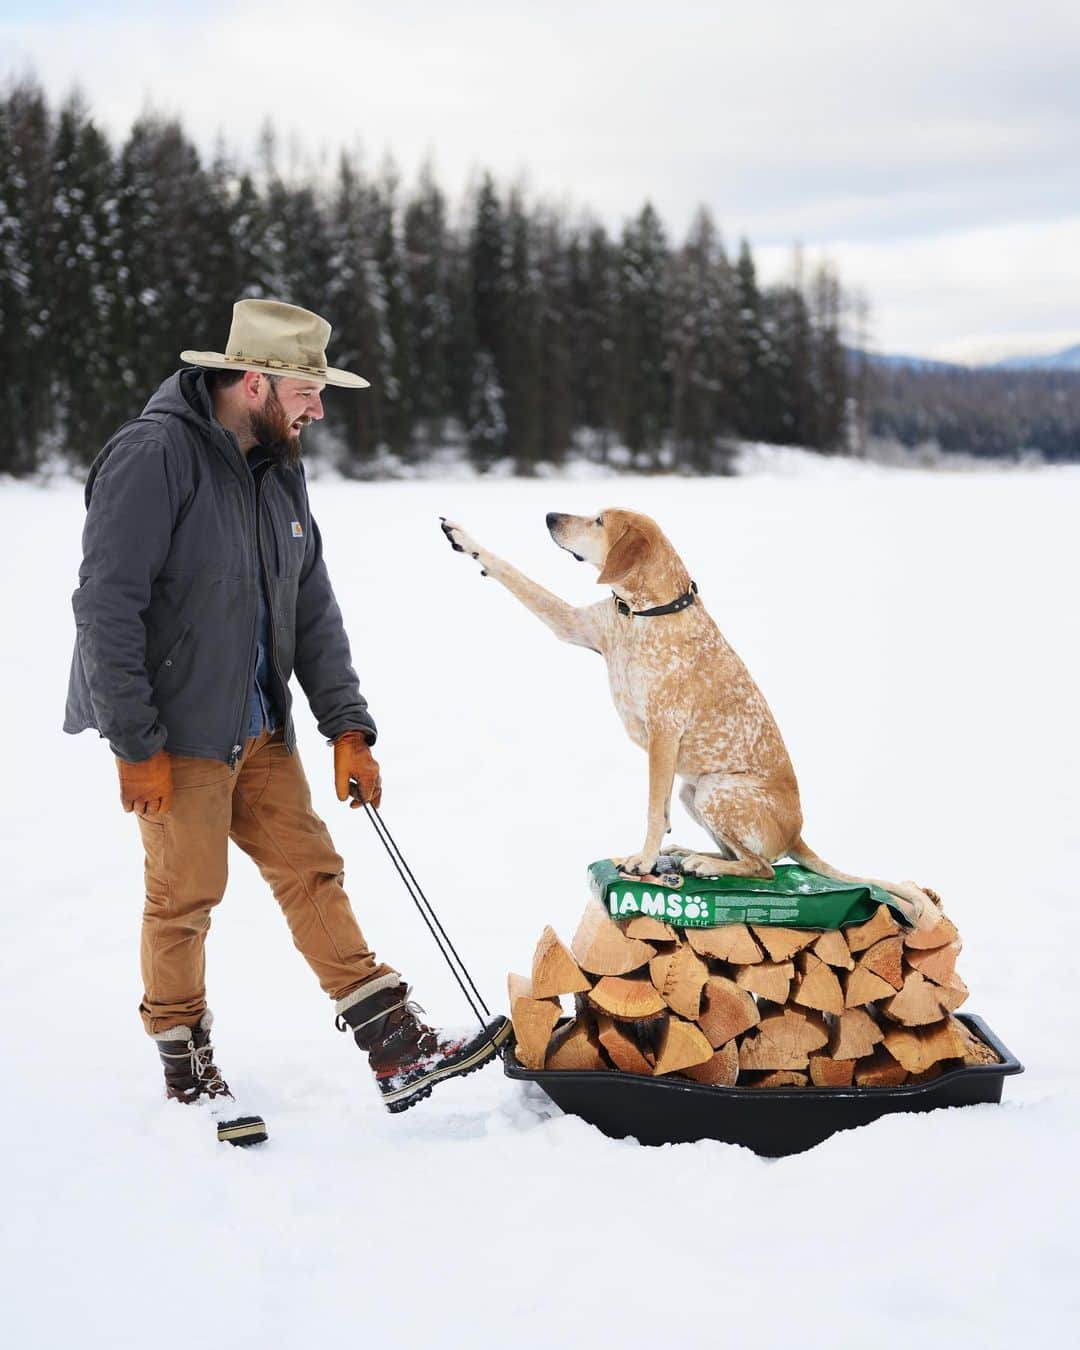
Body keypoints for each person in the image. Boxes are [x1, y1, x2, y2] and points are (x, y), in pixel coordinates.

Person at [63, 298, 508, 1128]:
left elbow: (311, 604)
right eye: (309, 390)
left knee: (312, 872)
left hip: (260, 724)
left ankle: (394, 1043)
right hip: (176, 729)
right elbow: (105, 605)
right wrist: (134, 743)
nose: (319, 408)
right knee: (185, 896)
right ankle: (185, 1067)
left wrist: (347, 725)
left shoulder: (279, 464)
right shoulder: (154, 455)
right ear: (257, 381)